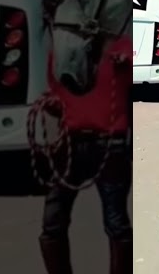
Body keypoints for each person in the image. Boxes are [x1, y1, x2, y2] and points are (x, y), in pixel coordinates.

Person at [36, 35, 132, 274]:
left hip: (110, 145)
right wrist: (52, 104)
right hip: (71, 143)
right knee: (52, 223)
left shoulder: (122, 48)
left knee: (116, 224)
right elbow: (57, 92)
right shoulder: (61, 52)